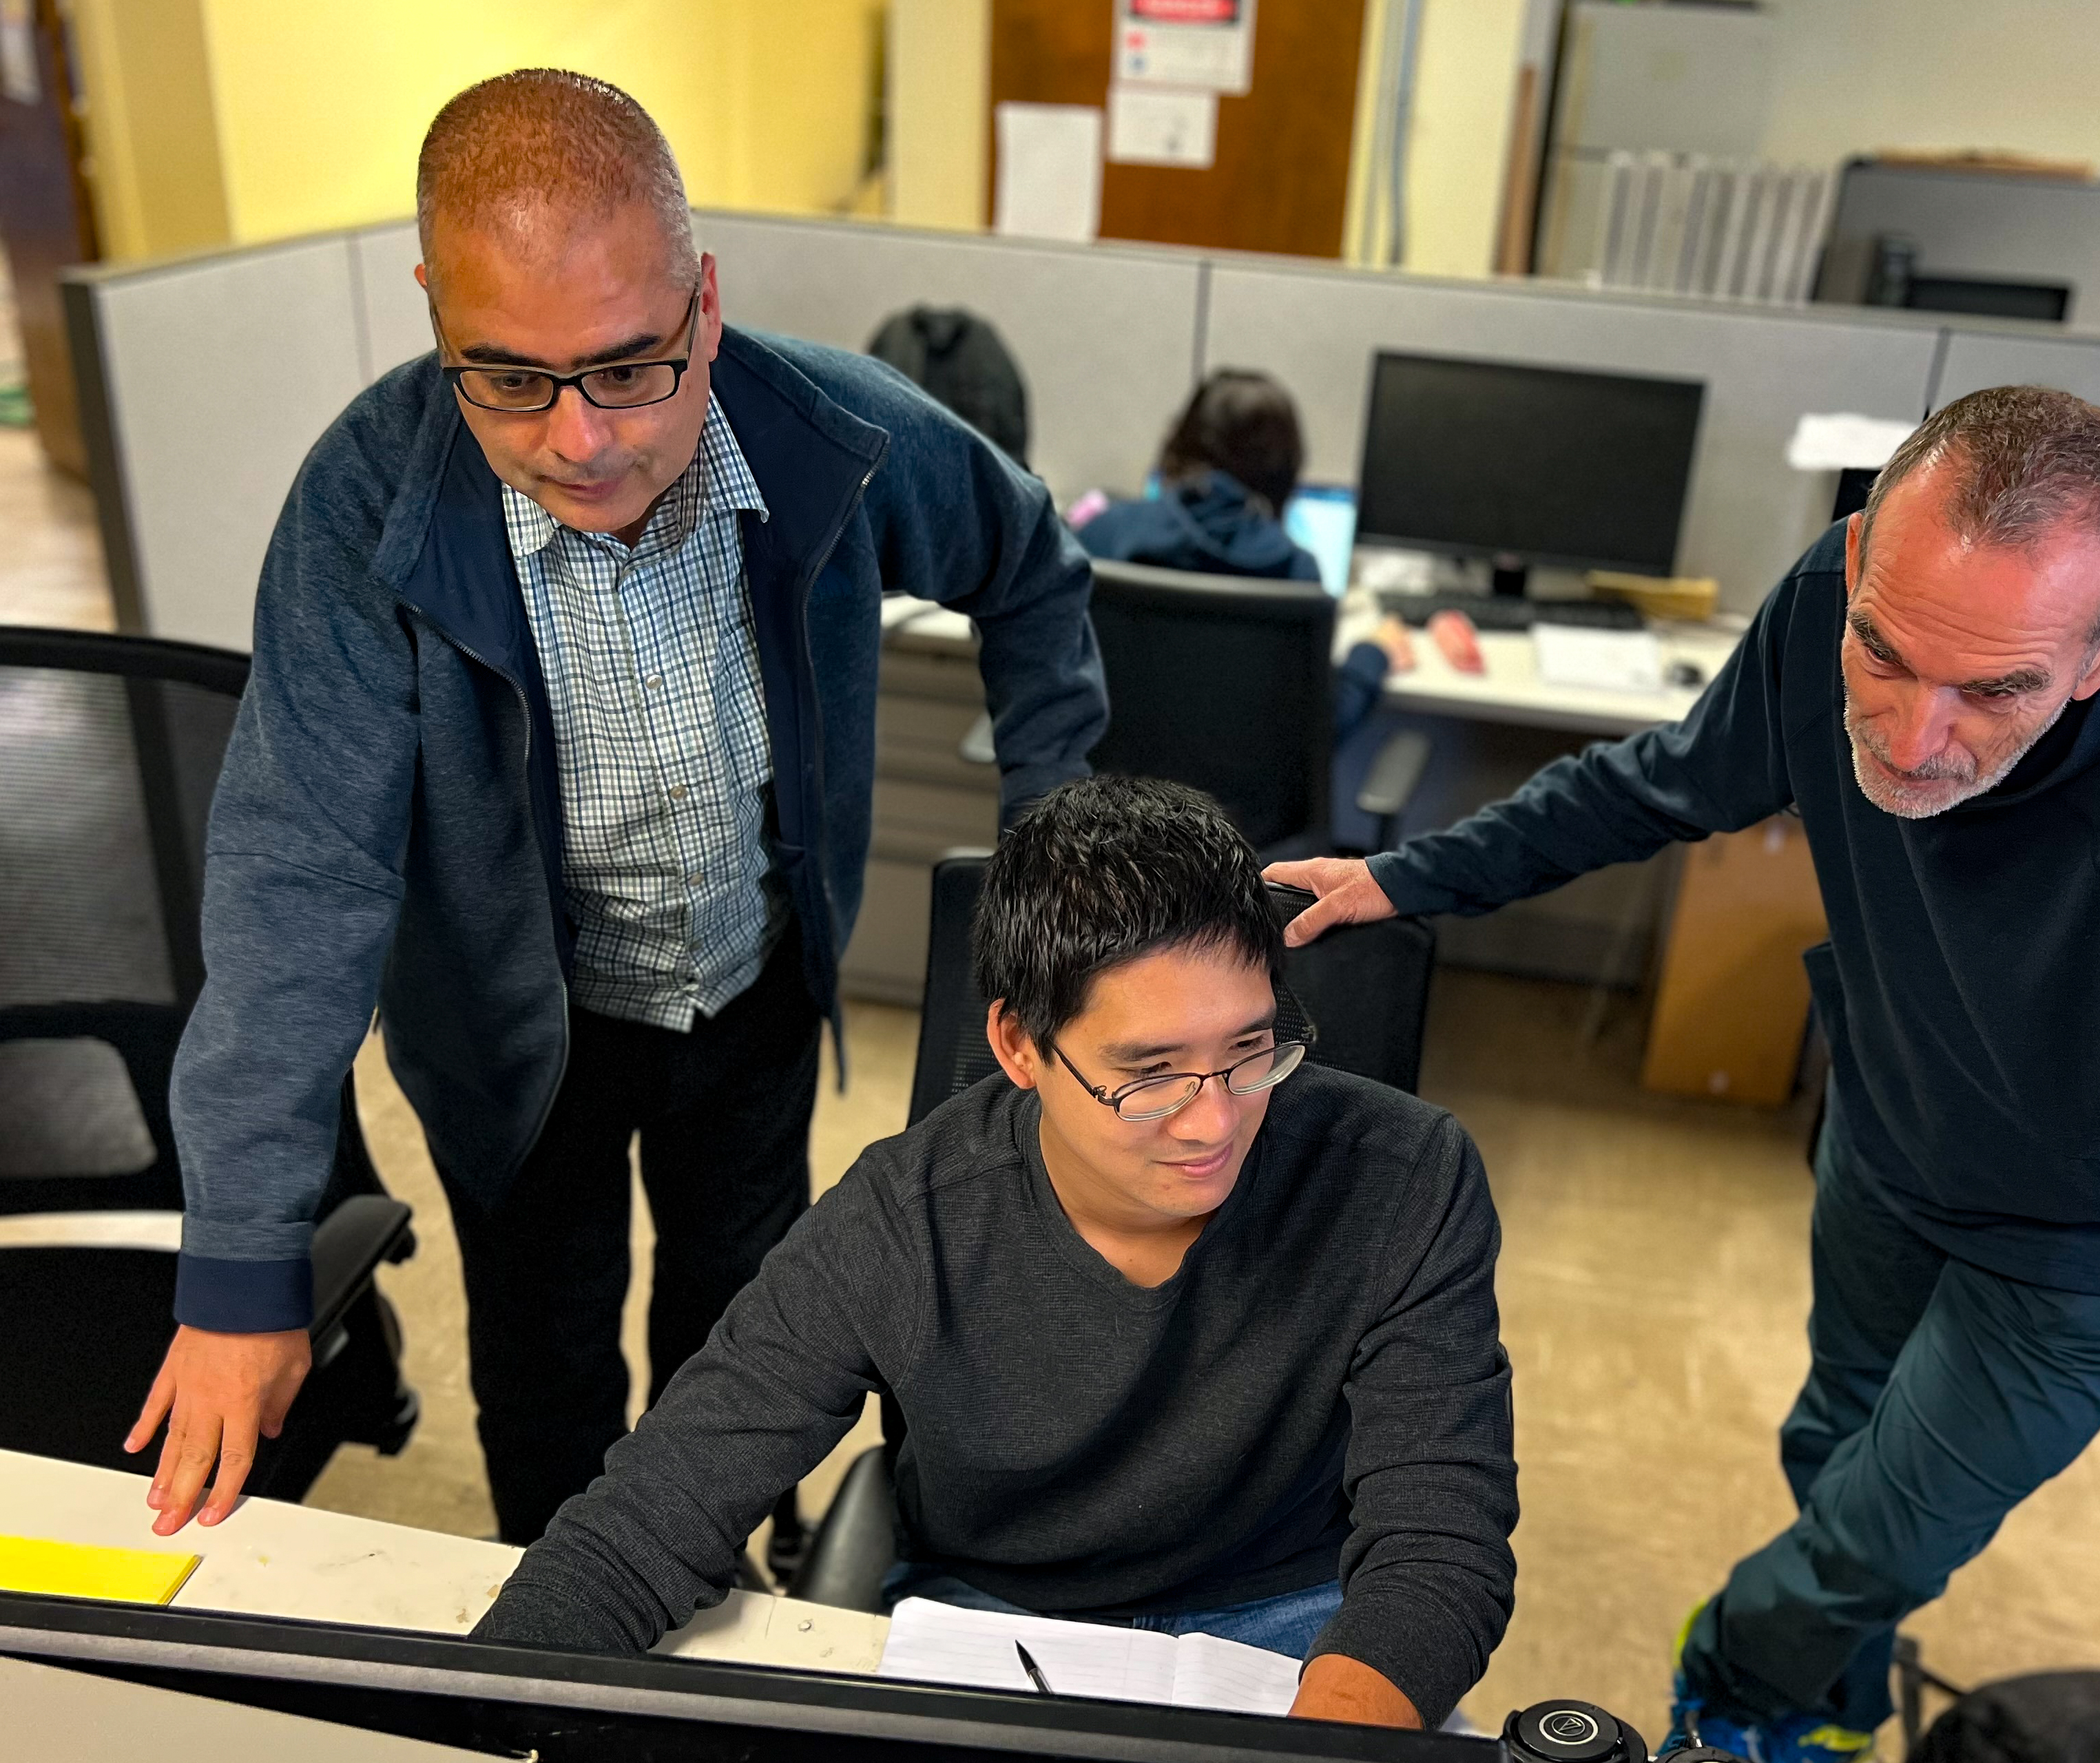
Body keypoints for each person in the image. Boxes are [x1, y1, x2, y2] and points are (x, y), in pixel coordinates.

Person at [1271, 387, 2100, 1763]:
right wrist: (1404, 874)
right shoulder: (1820, 598)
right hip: (1888, 1128)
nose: (1908, 740)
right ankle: (1821, 1716)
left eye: (1993, 688)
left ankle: (1733, 1674)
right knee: (1835, 1452)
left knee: (1862, 1546)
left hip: (2090, 1232)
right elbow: (1665, 781)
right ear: (1853, 564)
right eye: (1884, 655)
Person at [127, 70, 1108, 1548]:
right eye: (509, 375)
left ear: (702, 302)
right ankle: (567, 1633)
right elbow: (296, 879)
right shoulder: (364, 505)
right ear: (433, 310)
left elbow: (1027, 564)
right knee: (543, 1369)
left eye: (631, 366)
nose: (580, 438)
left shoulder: (823, 431)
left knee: (746, 1334)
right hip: (514, 1041)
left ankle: (724, 1570)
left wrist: (1051, 848)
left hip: (752, 984)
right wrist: (242, 1265)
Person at [470, 775, 1518, 1730]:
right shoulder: (904, 1215)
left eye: (1248, 1051)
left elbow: (1440, 1544)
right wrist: (477, 1709)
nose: (1212, 1124)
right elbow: (655, 1513)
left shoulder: (1402, 1173)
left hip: (1302, 1626)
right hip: (993, 1632)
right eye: (1149, 1074)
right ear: (1019, 1045)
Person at [1072, 368, 1414, 736]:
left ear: (1178, 443)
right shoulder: (1295, 573)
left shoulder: (1102, 535)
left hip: (1111, 790)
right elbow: (1320, 726)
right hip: (1238, 794)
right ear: (1287, 470)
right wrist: (1372, 656)